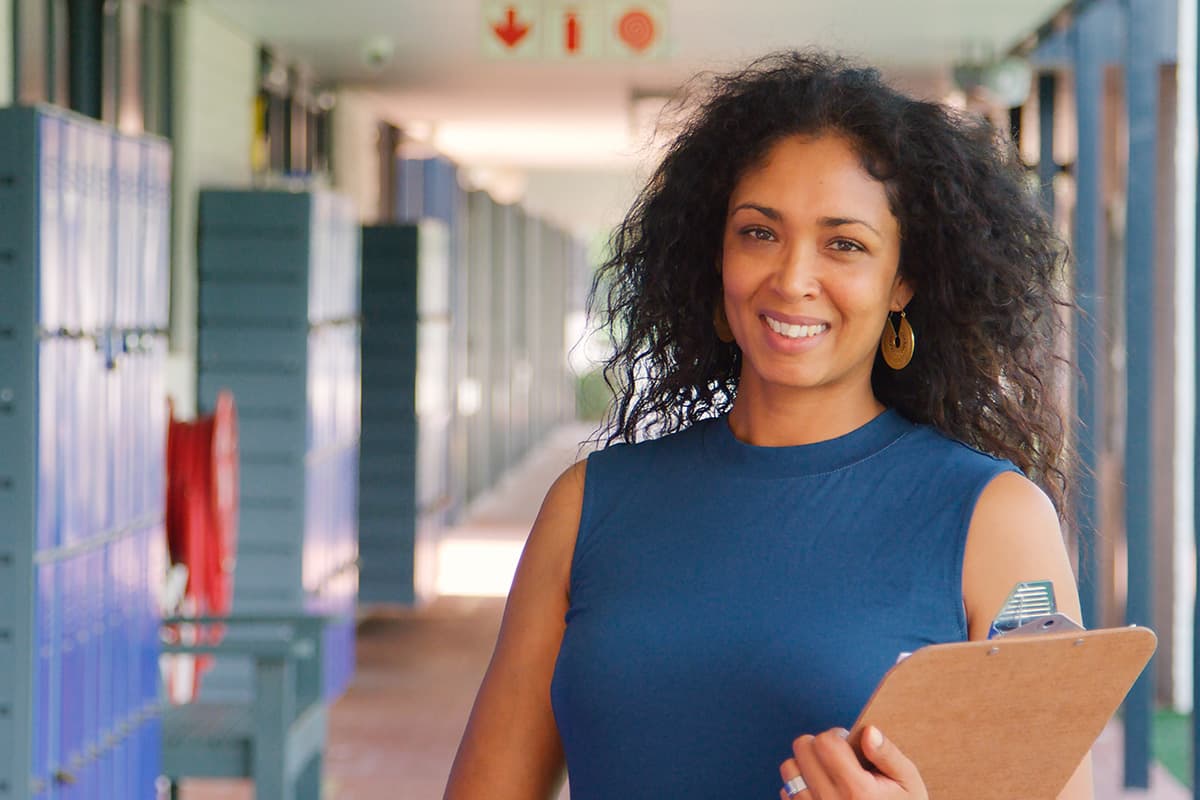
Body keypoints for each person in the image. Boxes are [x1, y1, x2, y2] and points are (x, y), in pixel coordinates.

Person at [445, 50, 1091, 800]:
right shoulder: (588, 505)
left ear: (904, 281)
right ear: (714, 255)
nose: (791, 278)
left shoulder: (993, 520)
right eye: (760, 233)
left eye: (844, 244)